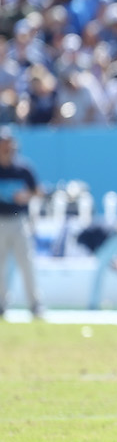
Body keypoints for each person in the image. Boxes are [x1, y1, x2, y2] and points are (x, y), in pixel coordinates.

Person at [0, 126, 42, 317]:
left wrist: (25, 196)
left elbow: (38, 191)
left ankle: (34, 304)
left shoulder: (22, 168)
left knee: (26, 263)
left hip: (19, 221)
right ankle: (1, 304)